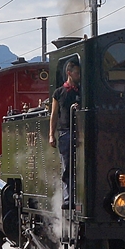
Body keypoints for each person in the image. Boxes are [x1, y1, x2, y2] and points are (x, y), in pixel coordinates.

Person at [47, 60, 81, 205]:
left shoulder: (82, 91)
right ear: (69, 73)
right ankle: (68, 198)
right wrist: (51, 134)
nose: (79, 76)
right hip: (65, 131)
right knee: (67, 165)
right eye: (77, 73)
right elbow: (54, 114)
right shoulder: (59, 93)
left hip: (80, 132)